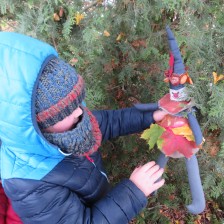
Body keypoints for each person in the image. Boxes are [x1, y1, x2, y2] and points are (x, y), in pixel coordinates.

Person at [0, 31, 167, 224]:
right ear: (35, 125)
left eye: (77, 101)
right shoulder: (29, 186)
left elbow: (109, 122)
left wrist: (151, 117)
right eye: (65, 112)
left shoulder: (69, 125)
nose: (80, 112)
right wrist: (133, 192)